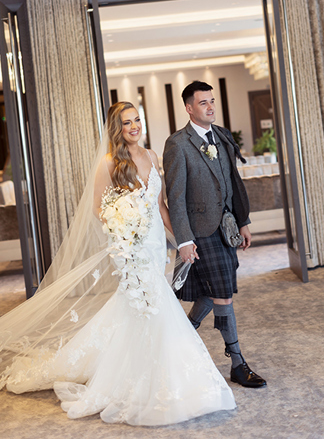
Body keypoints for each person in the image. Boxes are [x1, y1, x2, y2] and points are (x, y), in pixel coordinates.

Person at [0, 102, 236, 425]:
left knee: (135, 307)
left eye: (137, 119)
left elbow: (161, 205)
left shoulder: (152, 157)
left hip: (154, 245)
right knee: (151, 303)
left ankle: (121, 360)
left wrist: (181, 240)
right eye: (127, 122)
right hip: (131, 246)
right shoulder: (109, 163)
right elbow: (99, 209)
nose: (135, 126)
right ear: (117, 128)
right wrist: (125, 227)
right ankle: (162, 376)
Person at [163, 80, 266, 389]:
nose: (210, 107)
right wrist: (183, 240)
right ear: (189, 108)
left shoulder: (220, 136)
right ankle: (237, 362)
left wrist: (243, 220)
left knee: (215, 286)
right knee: (222, 292)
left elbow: (233, 182)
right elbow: (175, 197)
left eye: (212, 101)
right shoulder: (177, 144)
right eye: (203, 102)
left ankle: (184, 331)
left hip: (226, 227)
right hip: (199, 231)